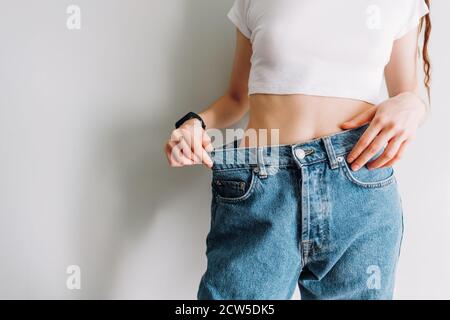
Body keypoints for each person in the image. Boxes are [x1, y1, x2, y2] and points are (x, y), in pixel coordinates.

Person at [164, 0, 431, 300]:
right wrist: (195, 124)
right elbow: (237, 97)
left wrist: (414, 105)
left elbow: (408, 97)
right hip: (260, 184)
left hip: (358, 188)